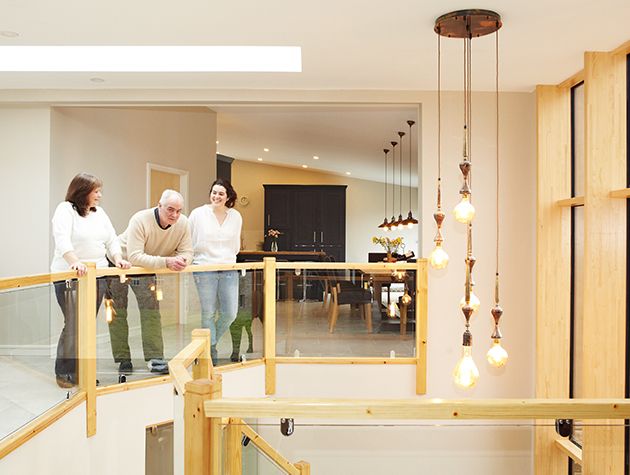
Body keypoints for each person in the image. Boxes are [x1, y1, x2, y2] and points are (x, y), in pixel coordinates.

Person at [51, 173, 131, 388]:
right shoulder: (65, 210)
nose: (100, 195)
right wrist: (75, 262)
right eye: (96, 191)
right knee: (74, 324)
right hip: (70, 276)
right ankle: (65, 372)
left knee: (86, 325)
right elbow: (61, 240)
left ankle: (84, 371)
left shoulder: (100, 213)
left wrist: (118, 259)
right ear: (83, 191)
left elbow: (112, 239)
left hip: (97, 276)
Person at [107, 189, 193, 375]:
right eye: (170, 209)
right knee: (117, 313)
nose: (175, 215)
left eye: (179, 210)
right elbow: (135, 256)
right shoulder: (140, 219)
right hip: (118, 263)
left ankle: (155, 359)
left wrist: (182, 261)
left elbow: (187, 251)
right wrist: (166, 262)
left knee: (151, 312)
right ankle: (123, 359)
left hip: (148, 267)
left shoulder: (183, 223)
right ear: (159, 205)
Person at [189, 179, 242, 363]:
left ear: (228, 196)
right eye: (214, 192)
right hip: (204, 268)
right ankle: (210, 353)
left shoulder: (235, 216)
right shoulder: (198, 214)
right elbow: (189, 240)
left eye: (221, 193)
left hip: (229, 268)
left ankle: (208, 344)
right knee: (208, 312)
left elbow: (236, 244)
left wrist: (229, 260)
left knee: (230, 313)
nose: (216, 196)